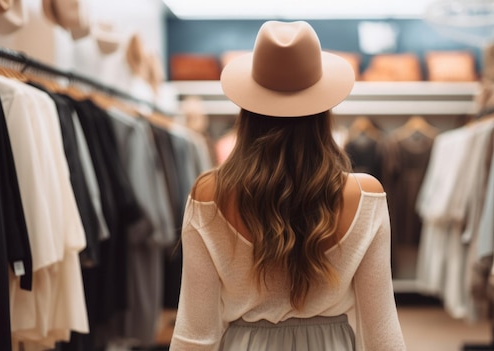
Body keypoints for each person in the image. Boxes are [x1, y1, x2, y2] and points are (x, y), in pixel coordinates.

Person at [169, 20, 406, 351]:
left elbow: (195, 333)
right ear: (324, 108)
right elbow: (382, 333)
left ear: (247, 108)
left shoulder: (210, 194)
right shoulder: (364, 195)